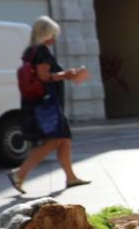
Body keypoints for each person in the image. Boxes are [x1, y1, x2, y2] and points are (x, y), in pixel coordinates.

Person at [9, 16, 89, 194]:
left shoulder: (31, 51)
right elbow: (44, 77)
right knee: (53, 140)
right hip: (47, 105)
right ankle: (19, 174)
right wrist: (67, 74)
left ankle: (71, 177)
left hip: (41, 104)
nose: (54, 39)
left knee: (65, 139)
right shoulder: (41, 51)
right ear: (44, 34)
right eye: (52, 34)